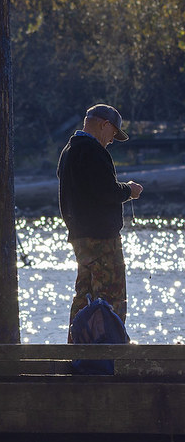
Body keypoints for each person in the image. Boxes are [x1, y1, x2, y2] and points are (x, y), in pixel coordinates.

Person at [57, 103, 143, 339]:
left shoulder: (69, 151)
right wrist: (129, 190)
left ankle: (77, 349)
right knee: (111, 296)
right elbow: (107, 191)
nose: (113, 140)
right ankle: (109, 351)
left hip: (80, 239)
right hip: (102, 240)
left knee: (83, 296)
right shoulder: (93, 152)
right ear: (105, 125)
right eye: (114, 133)